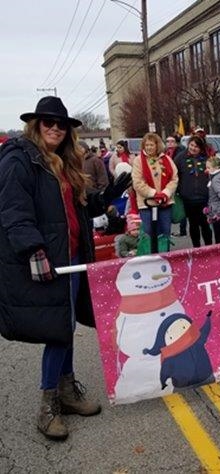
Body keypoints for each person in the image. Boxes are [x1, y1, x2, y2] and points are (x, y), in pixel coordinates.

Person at [0, 96, 131, 440]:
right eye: (48, 123)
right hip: (47, 260)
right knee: (58, 328)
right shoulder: (20, 158)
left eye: (61, 124)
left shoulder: (64, 163)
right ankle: (48, 406)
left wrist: (109, 196)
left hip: (72, 258)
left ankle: (68, 392)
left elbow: (78, 211)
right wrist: (33, 249)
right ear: (36, 125)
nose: (55, 128)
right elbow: (14, 209)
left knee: (66, 325)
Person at [132, 133, 178, 252]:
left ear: (157, 145)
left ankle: (165, 258)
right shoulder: (138, 161)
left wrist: (165, 193)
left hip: (165, 203)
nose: (149, 147)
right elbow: (137, 182)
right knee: (149, 233)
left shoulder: (166, 159)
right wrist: (153, 194)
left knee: (165, 232)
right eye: (146, 145)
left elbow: (174, 178)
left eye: (151, 145)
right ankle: (151, 259)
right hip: (147, 204)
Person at [174, 135, 213, 247]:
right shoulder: (180, 158)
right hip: (188, 199)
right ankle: (197, 248)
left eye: (196, 146)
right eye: (191, 145)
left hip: (204, 198)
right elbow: (174, 175)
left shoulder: (207, 158)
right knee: (193, 224)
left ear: (201, 148)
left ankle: (209, 247)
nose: (193, 148)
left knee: (205, 224)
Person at [165, 134, 187, 237]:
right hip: (168, 184)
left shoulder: (180, 153)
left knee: (180, 207)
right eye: (167, 141)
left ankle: (183, 230)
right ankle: (166, 231)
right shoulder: (165, 153)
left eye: (172, 141)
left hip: (179, 183)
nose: (169, 143)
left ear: (176, 143)